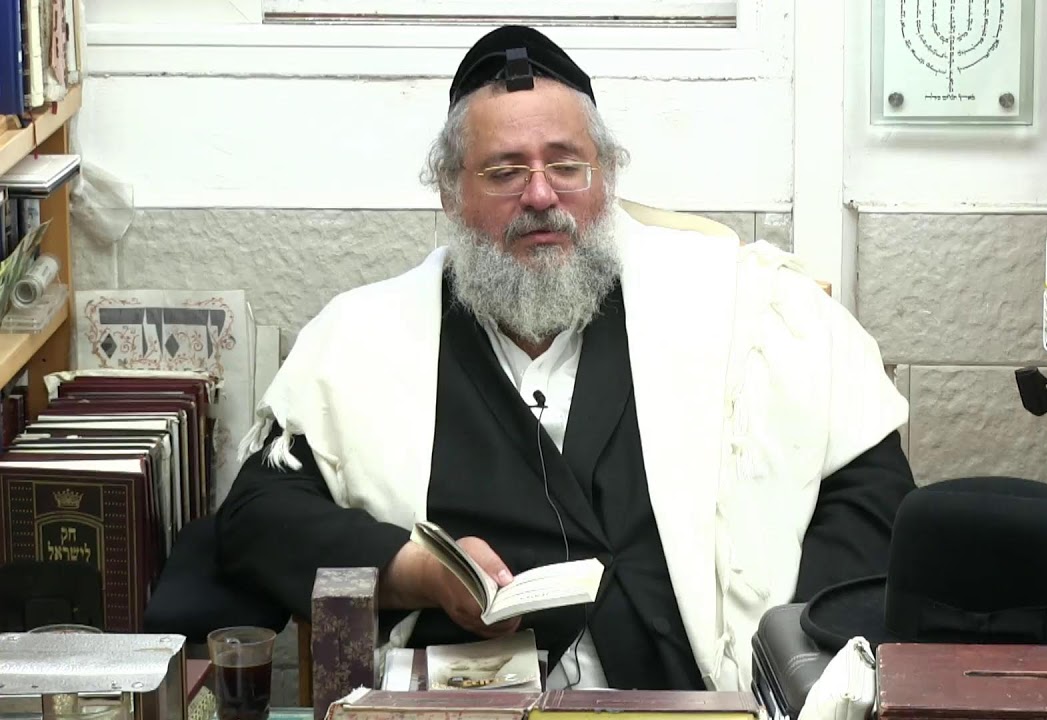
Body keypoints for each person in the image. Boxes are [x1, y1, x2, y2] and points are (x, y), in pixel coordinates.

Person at [214, 24, 916, 693]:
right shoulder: (367, 336)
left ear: (605, 178)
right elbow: (258, 517)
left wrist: (786, 652)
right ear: (451, 193)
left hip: (687, 697)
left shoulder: (739, 307)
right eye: (504, 172)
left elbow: (873, 493)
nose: (541, 195)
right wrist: (413, 569)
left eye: (566, 165)